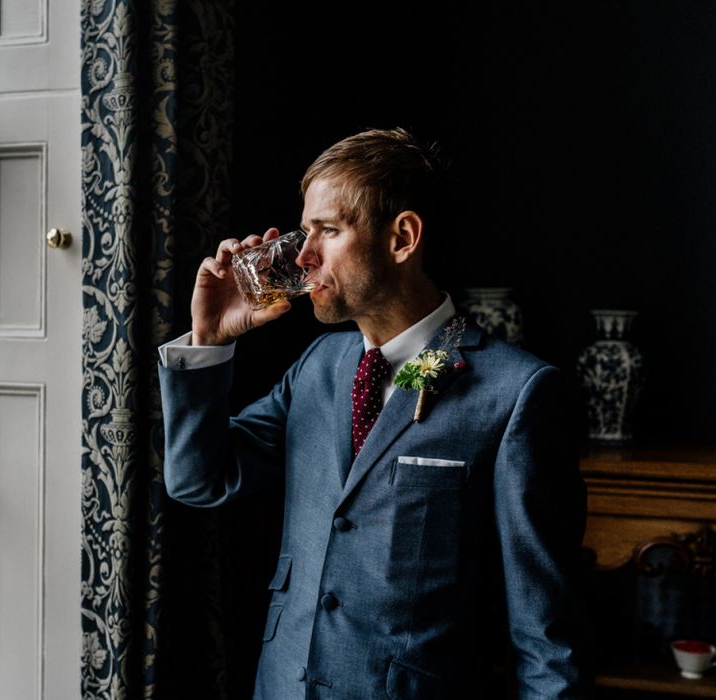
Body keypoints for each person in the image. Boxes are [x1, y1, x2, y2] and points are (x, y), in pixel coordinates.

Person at [158, 127, 592, 698]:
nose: (304, 256)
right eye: (304, 231)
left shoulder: (518, 395)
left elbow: (547, 641)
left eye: (329, 231)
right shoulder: (319, 366)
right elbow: (198, 480)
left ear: (402, 238)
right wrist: (209, 341)